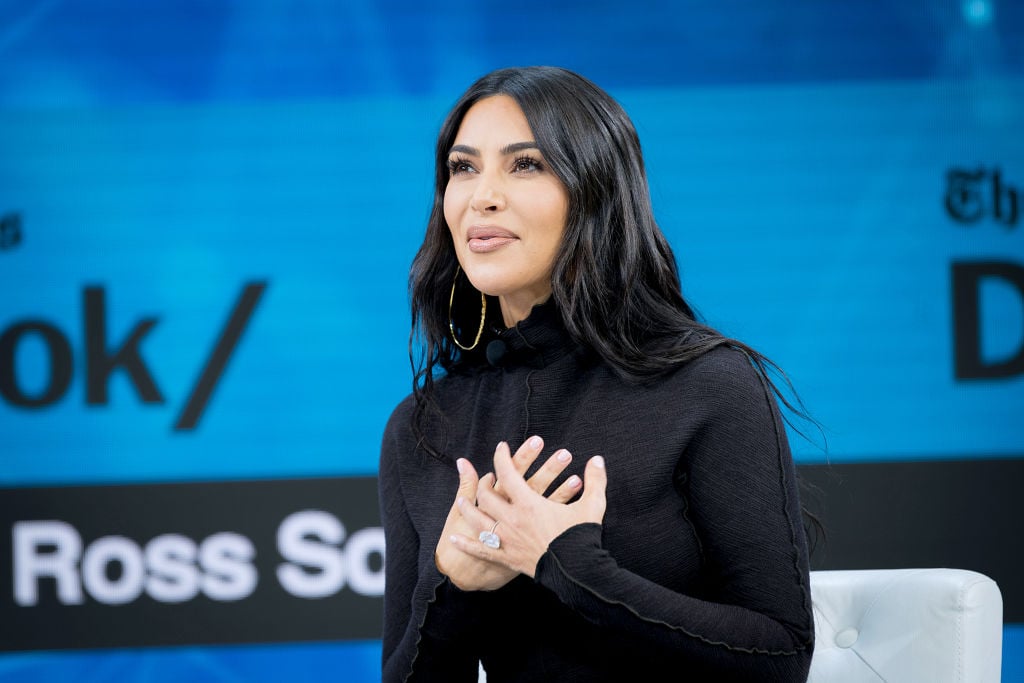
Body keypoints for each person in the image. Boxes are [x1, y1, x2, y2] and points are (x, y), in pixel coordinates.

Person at [378, 65, 816, 682]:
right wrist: (451, 586)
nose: (482, 197)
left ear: (595, 192)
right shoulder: (422, 426)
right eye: (463, 168)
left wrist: (568, 563)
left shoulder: (708, 386)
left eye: (525, 164)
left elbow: (781, 657)